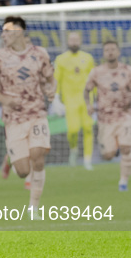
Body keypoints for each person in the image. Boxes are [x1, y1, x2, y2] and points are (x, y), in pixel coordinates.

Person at [0, 16, 56, 220]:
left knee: (38, 155)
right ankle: (10, 159)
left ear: (19, 31)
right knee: (23, 171)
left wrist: (52, 91)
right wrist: (3, 99)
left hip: (37, 113)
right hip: (13, 118)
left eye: (7, 31)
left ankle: (33, 207)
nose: (3, 35)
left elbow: (51, 78)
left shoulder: (39, 53)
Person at [84, 41, 131, 191]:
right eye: (107, 50)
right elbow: (87, 90)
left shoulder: (127, 71)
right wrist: (89, 105)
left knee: (127, 148)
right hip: (105, 119)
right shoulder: (97, 72)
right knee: (108, 155)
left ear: (118, 52)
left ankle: (123, 181)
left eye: (113, 49)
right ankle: (114, 148)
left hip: (124, 115)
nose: (110, 52)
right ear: (103, 53)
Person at [53, 32, 95, 170]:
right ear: (67, 41)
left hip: (86, 99)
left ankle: (88, 160)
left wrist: (96, 97)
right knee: (73, 130)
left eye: (76, 39)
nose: (74, 42)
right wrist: (56, 97)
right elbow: (56, 79)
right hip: (70, 99)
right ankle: (74, 149)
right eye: (72, 39)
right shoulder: (60, 59)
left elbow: (93, 78)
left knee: (88, 128)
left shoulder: (88, 58)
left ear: (81, 41)